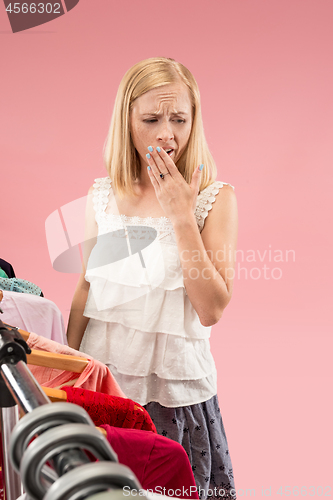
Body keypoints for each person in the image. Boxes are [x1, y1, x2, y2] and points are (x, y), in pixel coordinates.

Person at [67, 57, 238, 500]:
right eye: (152, 119)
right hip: (107, 395)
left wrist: (181, 215)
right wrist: (67, 373)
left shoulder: (215, 199)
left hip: (177, 401)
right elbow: (86, 287)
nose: (167, 133)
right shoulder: (102, 195)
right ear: (127, 121)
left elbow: (212, 308)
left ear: (194, 121)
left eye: (180, 119)